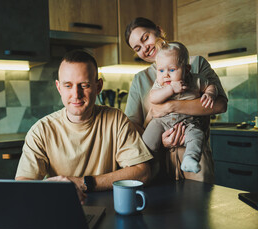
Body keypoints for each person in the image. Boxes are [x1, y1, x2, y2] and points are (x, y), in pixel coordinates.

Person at [15, 50, 155, 203]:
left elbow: (143, 173)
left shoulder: (116, 119)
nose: (76, 94)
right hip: (59, 208)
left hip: (109, 210)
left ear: (98, 86)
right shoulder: (40, 131)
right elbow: (23, 186)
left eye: (84, 85)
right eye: (68, 85)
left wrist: (83, 183)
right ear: (59, 87)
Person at [124, 17, 228, 183]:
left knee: (197, 206)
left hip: (196, 158)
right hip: (157, 164)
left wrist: (170, 107)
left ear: (159, 30)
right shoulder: (140, 79)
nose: (145, 48)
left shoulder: (196, 64)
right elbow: (132, 125)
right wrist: (161, 140)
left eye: (145, 38)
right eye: (138, 48)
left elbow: (220, 105)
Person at [142, 41, 218, 174]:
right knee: (147, 137)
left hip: (188, 123)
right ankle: (144, 161)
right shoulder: (161, 85)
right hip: (162, 122)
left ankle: (190, 158)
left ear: (187, 70)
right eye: (161, 70)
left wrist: (209, 93)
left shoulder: (195, 80)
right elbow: (153, 97)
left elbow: (211, 85)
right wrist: (170, 89)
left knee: (197, 135)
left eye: (172, 70)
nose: (166, 75)